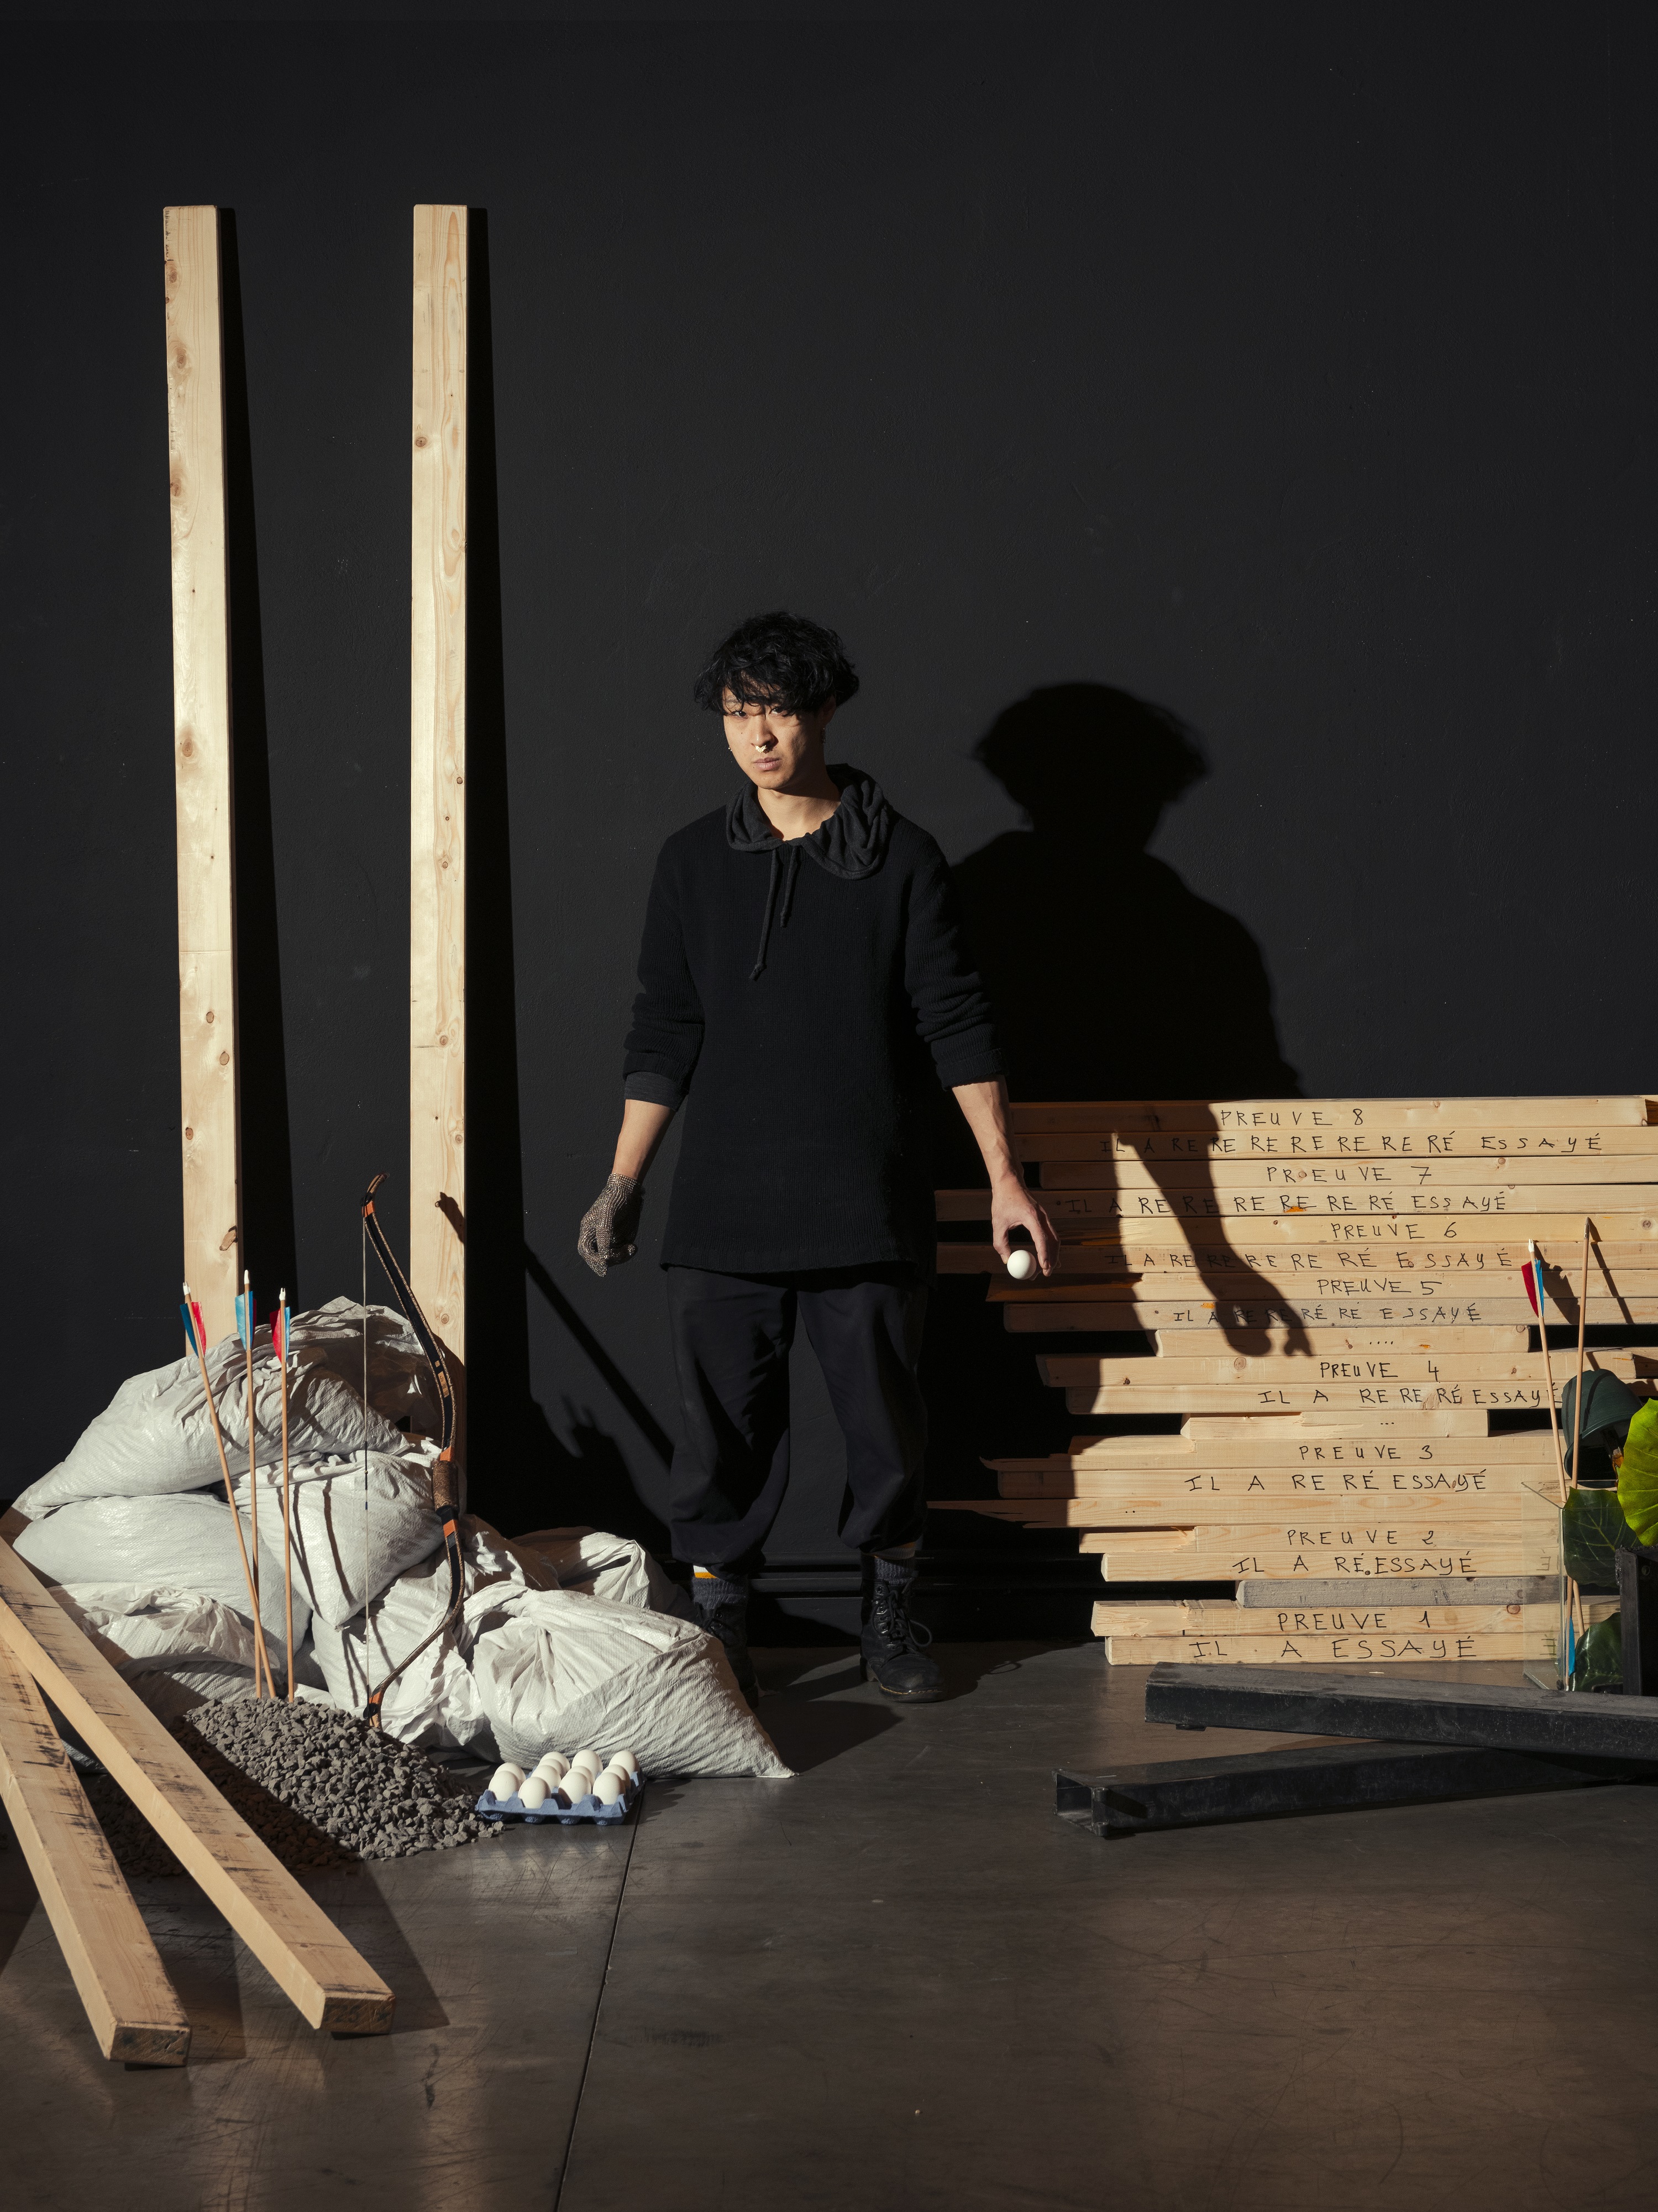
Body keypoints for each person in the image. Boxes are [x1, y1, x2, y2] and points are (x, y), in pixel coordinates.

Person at [578, 611, 1057, 1706]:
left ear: (827, 710)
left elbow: (958, 1023)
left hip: (862, 1200)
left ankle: (889, 1617)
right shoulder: (691, 862)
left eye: (780, 712)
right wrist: (624, 1178)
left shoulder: (904, 860)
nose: (758, 737)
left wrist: (1005, 1178)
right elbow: (664, 1029)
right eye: (738, 714)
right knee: (720, 1442)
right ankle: (722, 1631)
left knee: (886, 1429)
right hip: (724, 1207)